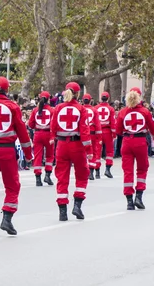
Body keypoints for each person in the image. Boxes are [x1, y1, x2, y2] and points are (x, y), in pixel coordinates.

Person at [0, 77, 32, 236]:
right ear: (7, 89)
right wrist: (28, 155)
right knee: (12, 184)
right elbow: (22, 133)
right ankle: (7, 218)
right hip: (7, 151)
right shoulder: (13, 107)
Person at [50, 82, 93, 221]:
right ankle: (77, 206)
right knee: (82, 174)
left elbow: (53, 127)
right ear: (78, 93)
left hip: (61, 145)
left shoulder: (58, 108)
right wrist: (89, 150)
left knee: (62, 177)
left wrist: (54, 138)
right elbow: (85, 131)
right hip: (77, 145)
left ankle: (62, 211)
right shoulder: (81, 109)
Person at [115, 87, 154, 210]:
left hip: (127, 142)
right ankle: (139, 197)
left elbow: (118, 130)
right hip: (140, 141)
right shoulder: (145, 112)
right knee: (142, 169)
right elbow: (153, 129)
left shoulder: (123, 112)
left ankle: (129, 201)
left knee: (127, 171)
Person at [27, 91, 54, 187]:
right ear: (48, 99)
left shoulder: (35, 110)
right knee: (49, 155)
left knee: (38, 156)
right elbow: (53, 125)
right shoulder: (51, 110)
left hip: (37, 134)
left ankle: (38, 178)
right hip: (48, 134)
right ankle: (47, 175)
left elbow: (30, 124)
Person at [82, 93, 102, 181]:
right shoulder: (94, 110)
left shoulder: (80, 109)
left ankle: (84, 171)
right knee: (93, 152)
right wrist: (99, 137)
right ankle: (91, 172)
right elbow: (98, 125)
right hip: (92, 133)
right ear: (91, 101)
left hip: (82, 134)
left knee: (82, 152)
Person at [96, 91, 116, 178]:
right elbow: (113, 123)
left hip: (98, 132)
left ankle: (96, 172)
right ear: (108, 98)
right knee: (109, 151)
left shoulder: (96, 108)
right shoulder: (111, 109)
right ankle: (107, 169)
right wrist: (114, 134)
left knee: (97, 151)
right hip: (107, 132)